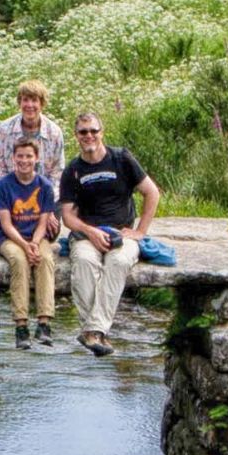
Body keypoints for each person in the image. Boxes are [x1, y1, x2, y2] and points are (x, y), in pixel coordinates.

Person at [59, 112, 160, 357]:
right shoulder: (72, 170)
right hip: (86, 234)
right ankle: (96, 332)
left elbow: (152, 192)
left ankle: (92, 331)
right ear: (77, 136)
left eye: (93, 130)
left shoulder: (121, 158)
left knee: (118, 261)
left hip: (121, 233)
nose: (89, 136)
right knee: (83, 262)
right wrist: (90, 232)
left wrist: (140, 231)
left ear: (101, 132)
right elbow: (68, 216)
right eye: (83, 132)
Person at [0, 139, 59, 350]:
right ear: (13, 158)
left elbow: (43, 221)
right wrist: (25, 245)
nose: (24, 160)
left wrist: (35, 244)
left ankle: (44, 323)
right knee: (19, 261)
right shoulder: (3, 186)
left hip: (37, 236)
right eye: (20, 156)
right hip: (10, 238)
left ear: (36, 159)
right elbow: (6, 224)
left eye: (29, 156)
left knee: (46, 260)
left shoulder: (45, 186)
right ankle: (21, 325)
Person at [0, 80, 65, 185]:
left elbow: (57, 172)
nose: (29, 105)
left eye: (34, 100)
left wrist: (46, 195)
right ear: (20, 102)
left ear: (42, 103)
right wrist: (10, 192)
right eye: (25, 100)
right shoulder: (5, 129)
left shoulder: (54, 133)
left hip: (43, 195)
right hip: (10, 193)